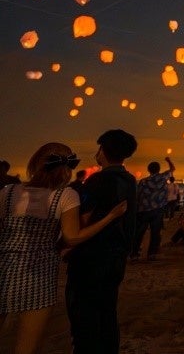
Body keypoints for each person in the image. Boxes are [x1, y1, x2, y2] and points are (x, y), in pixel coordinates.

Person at [0, 143, 127, 354]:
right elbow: (73, 237)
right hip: (39, 274)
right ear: (67, 169)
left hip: (4, 268)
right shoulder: (65, 196)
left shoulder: (9, 192)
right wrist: (110, 217)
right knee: (26, 348)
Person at [65, 129, 138, 354]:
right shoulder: (130, 180)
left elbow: (83, 219)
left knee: (84, 318)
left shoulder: (97, 180)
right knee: (107, 313)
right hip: (116, 257)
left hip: (90, 257)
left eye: (99, 148)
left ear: (104, 151)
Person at [131, 156, 174, 261]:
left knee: (139, 232)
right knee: (155, 232)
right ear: (158, 169)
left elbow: (137, 195)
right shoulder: (163, 178)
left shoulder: (143, 181)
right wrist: (168, 161)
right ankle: (152, 254)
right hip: (158, 210)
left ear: (148, 170)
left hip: (144, 210)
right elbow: (172, 169)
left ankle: (134, 254)